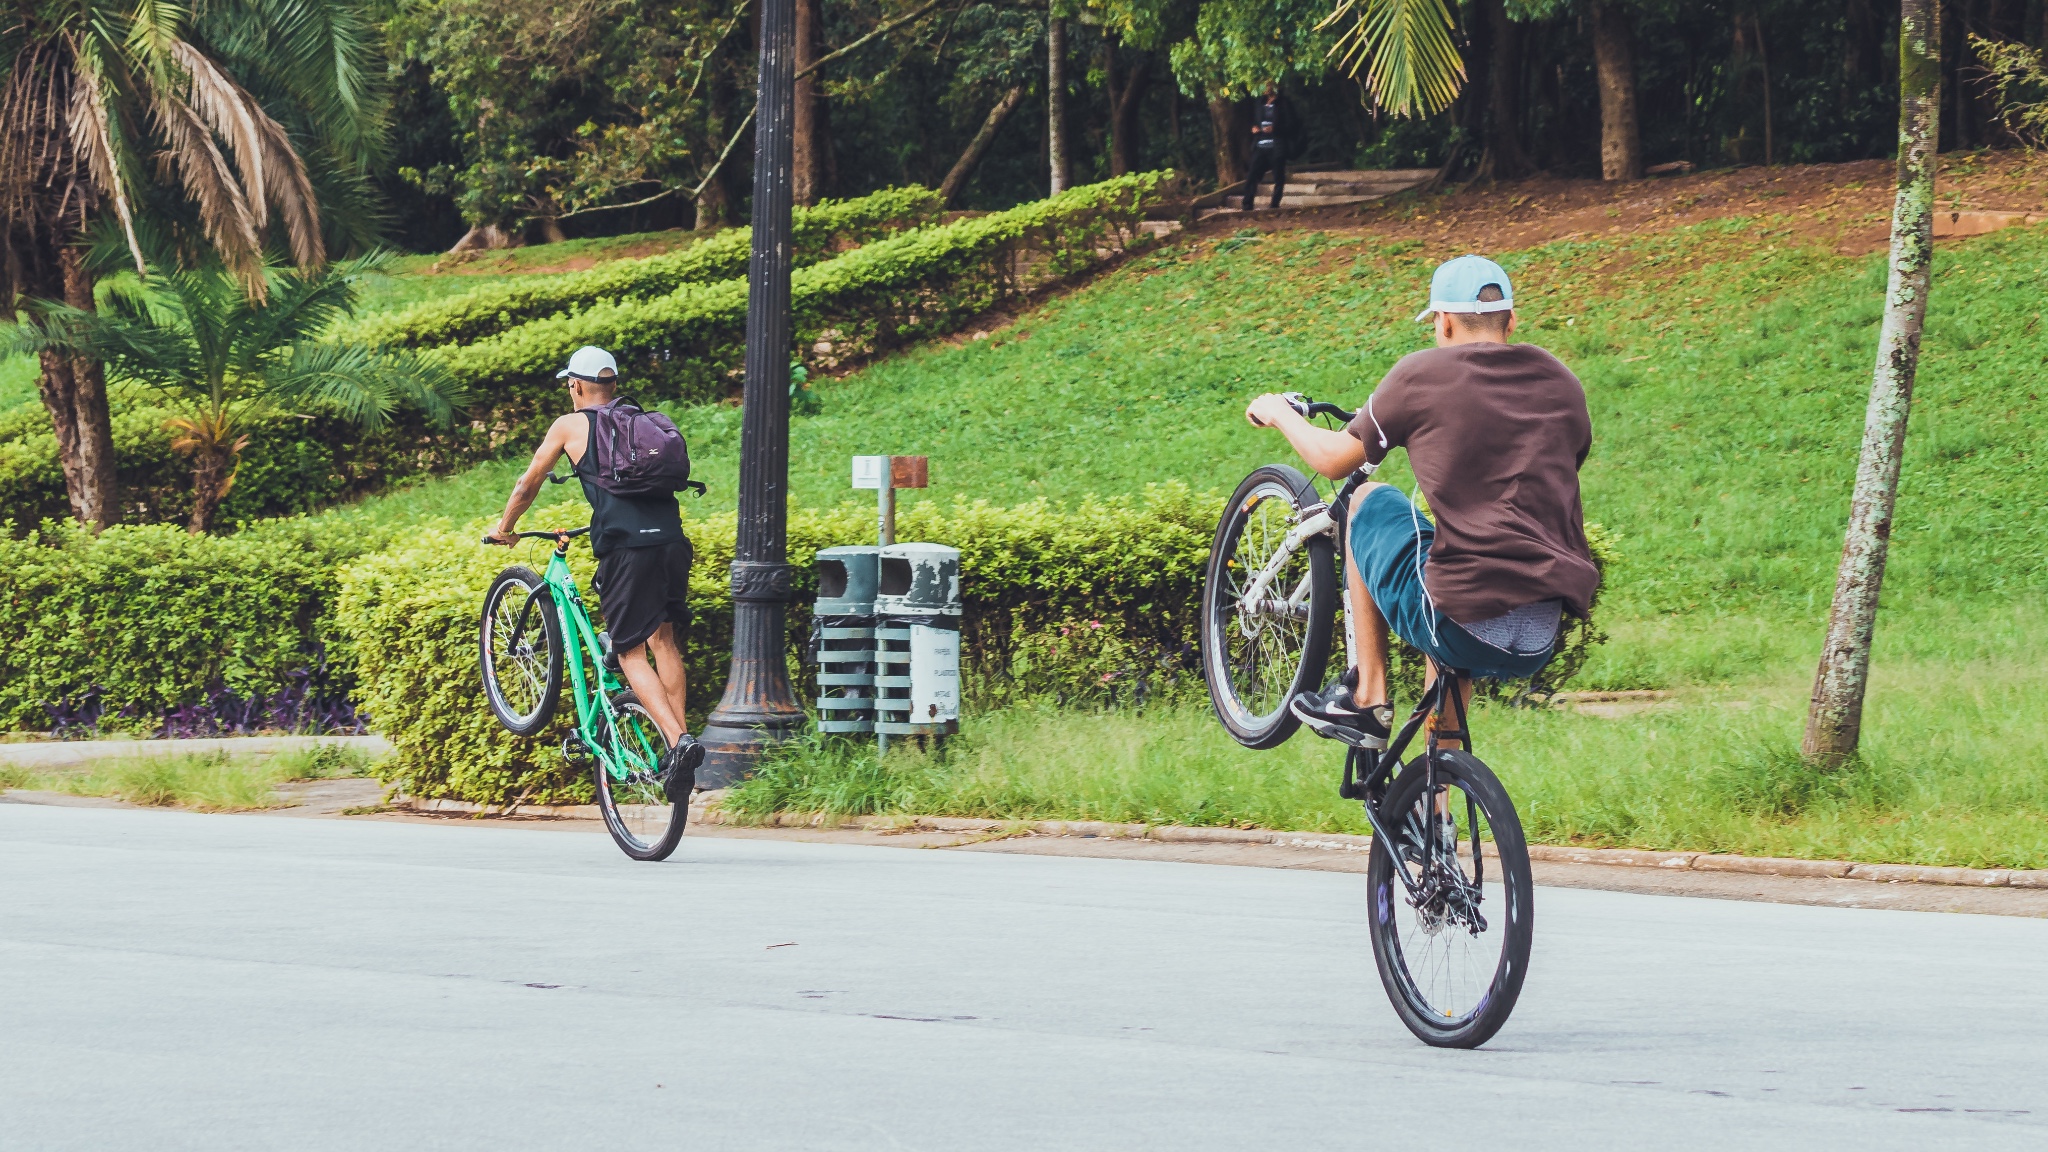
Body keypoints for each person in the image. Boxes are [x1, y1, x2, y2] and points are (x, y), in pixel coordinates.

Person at [1243, 255, 1599, 750]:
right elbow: (1567, 459)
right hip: (1541, 631)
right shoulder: (1562, 382)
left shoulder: (1421, 375)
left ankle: (1367, 699)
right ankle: (1435, 810)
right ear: (1512, 320)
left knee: (1368, 499)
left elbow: (1332, 461)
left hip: (1463, 619)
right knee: (1447, 573)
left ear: (1445, 321)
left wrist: (1279, 412)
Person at [488, 346, 704, 794]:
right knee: (662, 638)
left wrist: (506, 527)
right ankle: (676, 752)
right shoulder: (642, 421)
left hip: (629, 550)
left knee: (628, 652)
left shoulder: (570, 425)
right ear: (615, 386)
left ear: (576, 386)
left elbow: (528, 483)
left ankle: (679, 741)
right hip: (671, 541)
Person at [1242, 85, 1291, 212]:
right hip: (1260, 144)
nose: (1266, 88)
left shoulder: (1283, 103)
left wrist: (1275, 129)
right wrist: (1254, 128)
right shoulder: (1259, 103)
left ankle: (1274, 204)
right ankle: (1247, 204)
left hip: (1277, 145)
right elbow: (1254, 121)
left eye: (1269, 85)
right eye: (1264, 85)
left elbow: (1291, 124)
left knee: (1278, 176)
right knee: (1252, 174)